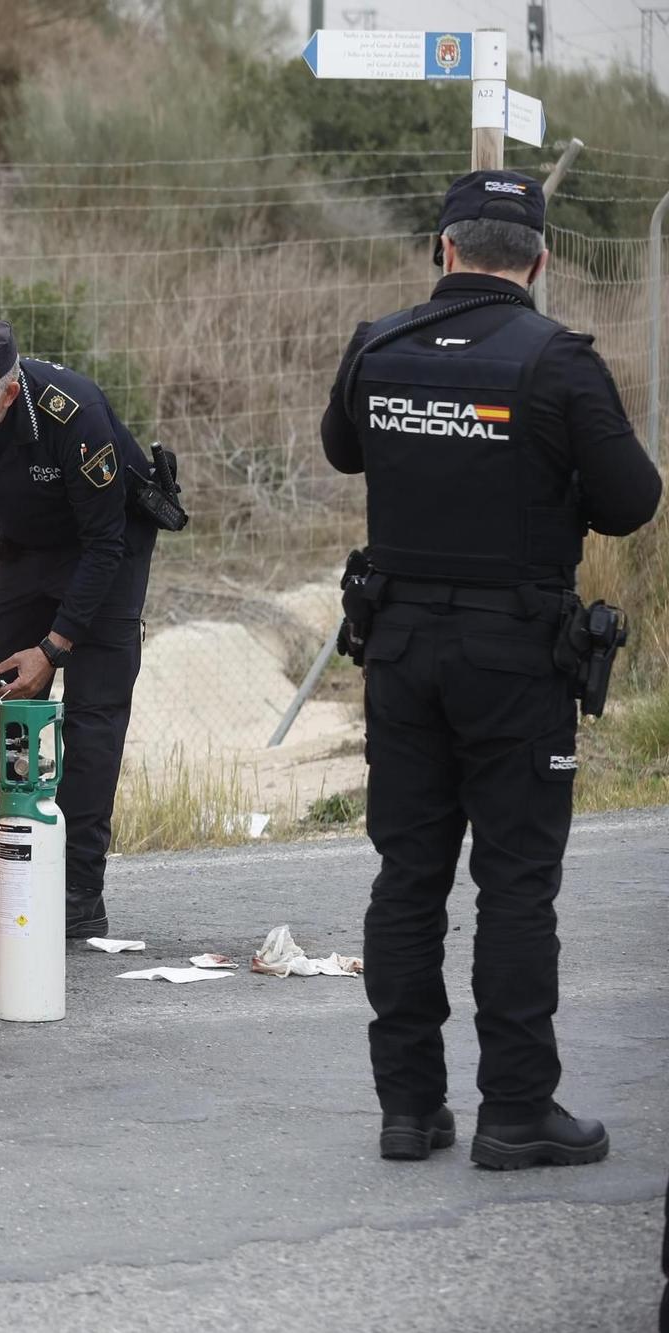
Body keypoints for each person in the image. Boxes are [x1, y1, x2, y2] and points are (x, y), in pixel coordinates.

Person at [321, 169, 660, 1167]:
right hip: (513, 659)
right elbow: (630, 501)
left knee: (406, 877)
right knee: (514, 884)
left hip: (399, 650)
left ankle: (406, 1109)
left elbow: (344, 452)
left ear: (443, 249)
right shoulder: (556, 363)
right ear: (539, 260)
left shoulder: (376, 348)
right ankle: (513, 1110)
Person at [0, 315, 159, 940]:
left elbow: (106, 543)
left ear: (5, 390)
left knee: (92, 718)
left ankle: (78, 888)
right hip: (17, 553)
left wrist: (53, 647)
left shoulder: (72, 414)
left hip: (105, 552)